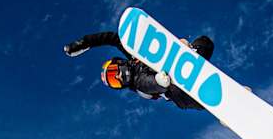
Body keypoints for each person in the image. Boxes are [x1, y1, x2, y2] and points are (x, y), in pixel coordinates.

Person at [63, 31, 215, 110]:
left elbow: (112, 38)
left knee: (205, 41)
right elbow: (146, 84)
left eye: (113, 73)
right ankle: (216, 106)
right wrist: (158, 82)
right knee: (183, 96)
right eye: (115, 82)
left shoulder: (134, 56)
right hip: (176, 91)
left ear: (119, 63)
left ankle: (192, 52)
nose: (118, 77)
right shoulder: (137, 84)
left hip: (177, 67)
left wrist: (84, 43)